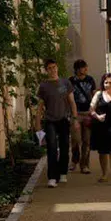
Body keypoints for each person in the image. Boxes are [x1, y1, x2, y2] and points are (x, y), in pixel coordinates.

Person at [35, 59, 80, 188]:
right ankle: (52, 177)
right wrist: (37, 124)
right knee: (52, 148)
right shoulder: (44, 86)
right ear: (46, 70)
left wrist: (75, 119)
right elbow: (39, 107)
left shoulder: (65, 83)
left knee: (65, 146)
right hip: (50, 120)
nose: (52, 70)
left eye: (54, 67)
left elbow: (72, 102)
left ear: (57, 67)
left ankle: (62, 173)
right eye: (49, 68)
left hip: (64, 119)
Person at [68, 59, 96, 174]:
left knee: (87, 140)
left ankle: (84, 165)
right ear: (77, 69)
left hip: (87, 114)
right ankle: (75, 160)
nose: (86, 69)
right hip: (75, 114)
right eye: (83, 67)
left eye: (86, 67)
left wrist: (94, 110)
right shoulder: (71, 81)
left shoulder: (90, 80)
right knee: (75, 139)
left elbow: (94, 95)